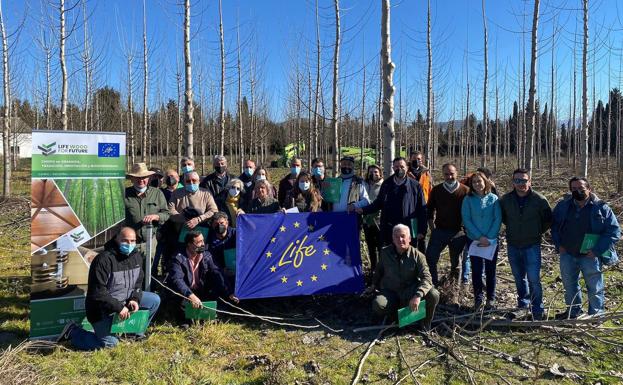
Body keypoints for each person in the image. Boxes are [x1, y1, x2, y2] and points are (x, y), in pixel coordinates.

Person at [56, 227, 161, 350]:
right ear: (117, 239)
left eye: (132, 241)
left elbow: (138, 282)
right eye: (125, 241)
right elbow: (98, 292)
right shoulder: (103, 260)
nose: (129, 244)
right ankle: (73, 332)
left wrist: (135, 299)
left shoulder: (136, 257)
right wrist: (118, 307)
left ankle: (134, 333)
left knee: (154, 300)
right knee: (110, 344)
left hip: (125, 301)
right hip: (101, 309)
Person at [551, 177, 620, 319]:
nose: (578, 191)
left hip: (590, 255)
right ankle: (572, 312)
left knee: (594, 287)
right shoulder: (563, 206)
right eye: (574, 189)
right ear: (570, 190)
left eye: (581, 188)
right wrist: (559, 245)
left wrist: (597, 250)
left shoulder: (601, 207)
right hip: (568, 253)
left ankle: (596, 315)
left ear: (589, 189)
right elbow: (555, 226)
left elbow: (614, 231)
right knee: (569, 285)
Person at [499, 168, 552, 320]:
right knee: (518, 277)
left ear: (530, 181)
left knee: (534, 279)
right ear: (513, 182)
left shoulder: (539, 200)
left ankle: (537, 309)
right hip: (513, 244)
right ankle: (523, 305)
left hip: (532, 245)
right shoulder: (506, 200)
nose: (521, 184)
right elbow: (503, 218)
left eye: (524, 180)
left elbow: (548, 220)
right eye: (517, 180)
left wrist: (535, 231)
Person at [369, 224, 439, 330]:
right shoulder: (385, 252)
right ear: (393, 239)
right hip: (391, 292)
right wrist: (373, 285)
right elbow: (379, 271)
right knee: (378, 305)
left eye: (403, 236)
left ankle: (424, 324)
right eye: (396, 237)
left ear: (409, 238)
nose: (400, 239)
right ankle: (399, 319)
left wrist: (418, 296)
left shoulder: (418, 256)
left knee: (434, 294)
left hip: (410, 292)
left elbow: (427, 278)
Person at [167, 230, 238, 324]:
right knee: (184, 315)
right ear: (189, 244)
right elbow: (177, 280)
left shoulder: (206, 255)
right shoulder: (177, 258)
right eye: (199, 242)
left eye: (203, 241)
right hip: (185, 293)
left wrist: (229, 292)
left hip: (202, 290)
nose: (202, 244)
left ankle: (208, 316)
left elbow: (217, 273)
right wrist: (190, 295)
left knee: (220, 297)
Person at [357, 157, 427, 248]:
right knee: (390, 255)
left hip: (409, 226)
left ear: (407, 167)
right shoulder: (387, 184)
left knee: (408, 255)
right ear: (393, 168)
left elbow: (422, 208)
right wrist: (363, 210)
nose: (399, 169)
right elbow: (378, 203)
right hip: (390, 227)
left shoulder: (415, 185)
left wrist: (422, 230)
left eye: (402, 166)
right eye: (396, 167)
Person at [424, 163, 469, 293]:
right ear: (442, 174)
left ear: (457, 173)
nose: (449, 176)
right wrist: (432, 228)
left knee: (456, 263)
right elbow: (430, 210)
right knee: (430, 258)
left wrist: (466, 230)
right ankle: (433, 287)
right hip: (440, 231)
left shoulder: (465, 190)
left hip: (458, 233)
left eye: (452, 173)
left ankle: (454, 290)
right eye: (446, 174)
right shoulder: (437, 190)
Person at [461, 172, 502, 310]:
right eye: (474, 182)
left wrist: (489, 237)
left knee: (491, 271)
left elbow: (497, 219)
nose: (477, 184)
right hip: (474, 240)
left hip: (491, 241)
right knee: (477, 271)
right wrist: (479, 237)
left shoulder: (494, 198)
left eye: (479, 181)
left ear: (485, 182)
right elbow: (466, 219)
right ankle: (478, 299)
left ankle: (491, 299)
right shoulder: (468, 199)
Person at [124, 163, 169, 249]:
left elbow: (166, 214)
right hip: (129, 243)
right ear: (132, 179)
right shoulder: (124, 194)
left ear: (149, 178)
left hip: (150, 242)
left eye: (143, 177)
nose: (141, 180)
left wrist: (156, 216)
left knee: (150, 262)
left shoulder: (157, 193)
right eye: (137, 177)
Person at [362, 165, 384, 271]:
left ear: (380, 173)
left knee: (381, 248)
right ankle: (373, 271)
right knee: (371, 249)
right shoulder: (365, 185)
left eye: (375, 172)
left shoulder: (383, 185)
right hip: (367, 222)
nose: (373, 174)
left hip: (379, 222)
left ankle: (382, 272)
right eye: (371, 172)